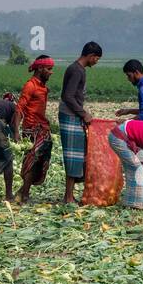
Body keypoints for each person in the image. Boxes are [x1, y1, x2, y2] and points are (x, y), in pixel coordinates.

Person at [59, 41, 103, 205]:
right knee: (73, 156)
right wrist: (83, 114)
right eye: (96, 59)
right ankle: (68, 197)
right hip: (69, 115)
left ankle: (70, 195)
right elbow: (68, 96)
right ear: (91, 56)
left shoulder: (78, 69)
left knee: (78, 156)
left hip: (73, 115)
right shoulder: (76, 70)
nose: (96, 62)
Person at [16, 55, 54, 202]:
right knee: (31, 162)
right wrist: (16, 132)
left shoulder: (42, 86)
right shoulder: (30, 85)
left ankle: (23, 191)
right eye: (49, 69)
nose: (51, 72)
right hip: (32, 129)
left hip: (42, 128)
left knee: (40, 162)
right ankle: (24, 194)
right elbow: (20, 108)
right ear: (40, 68)